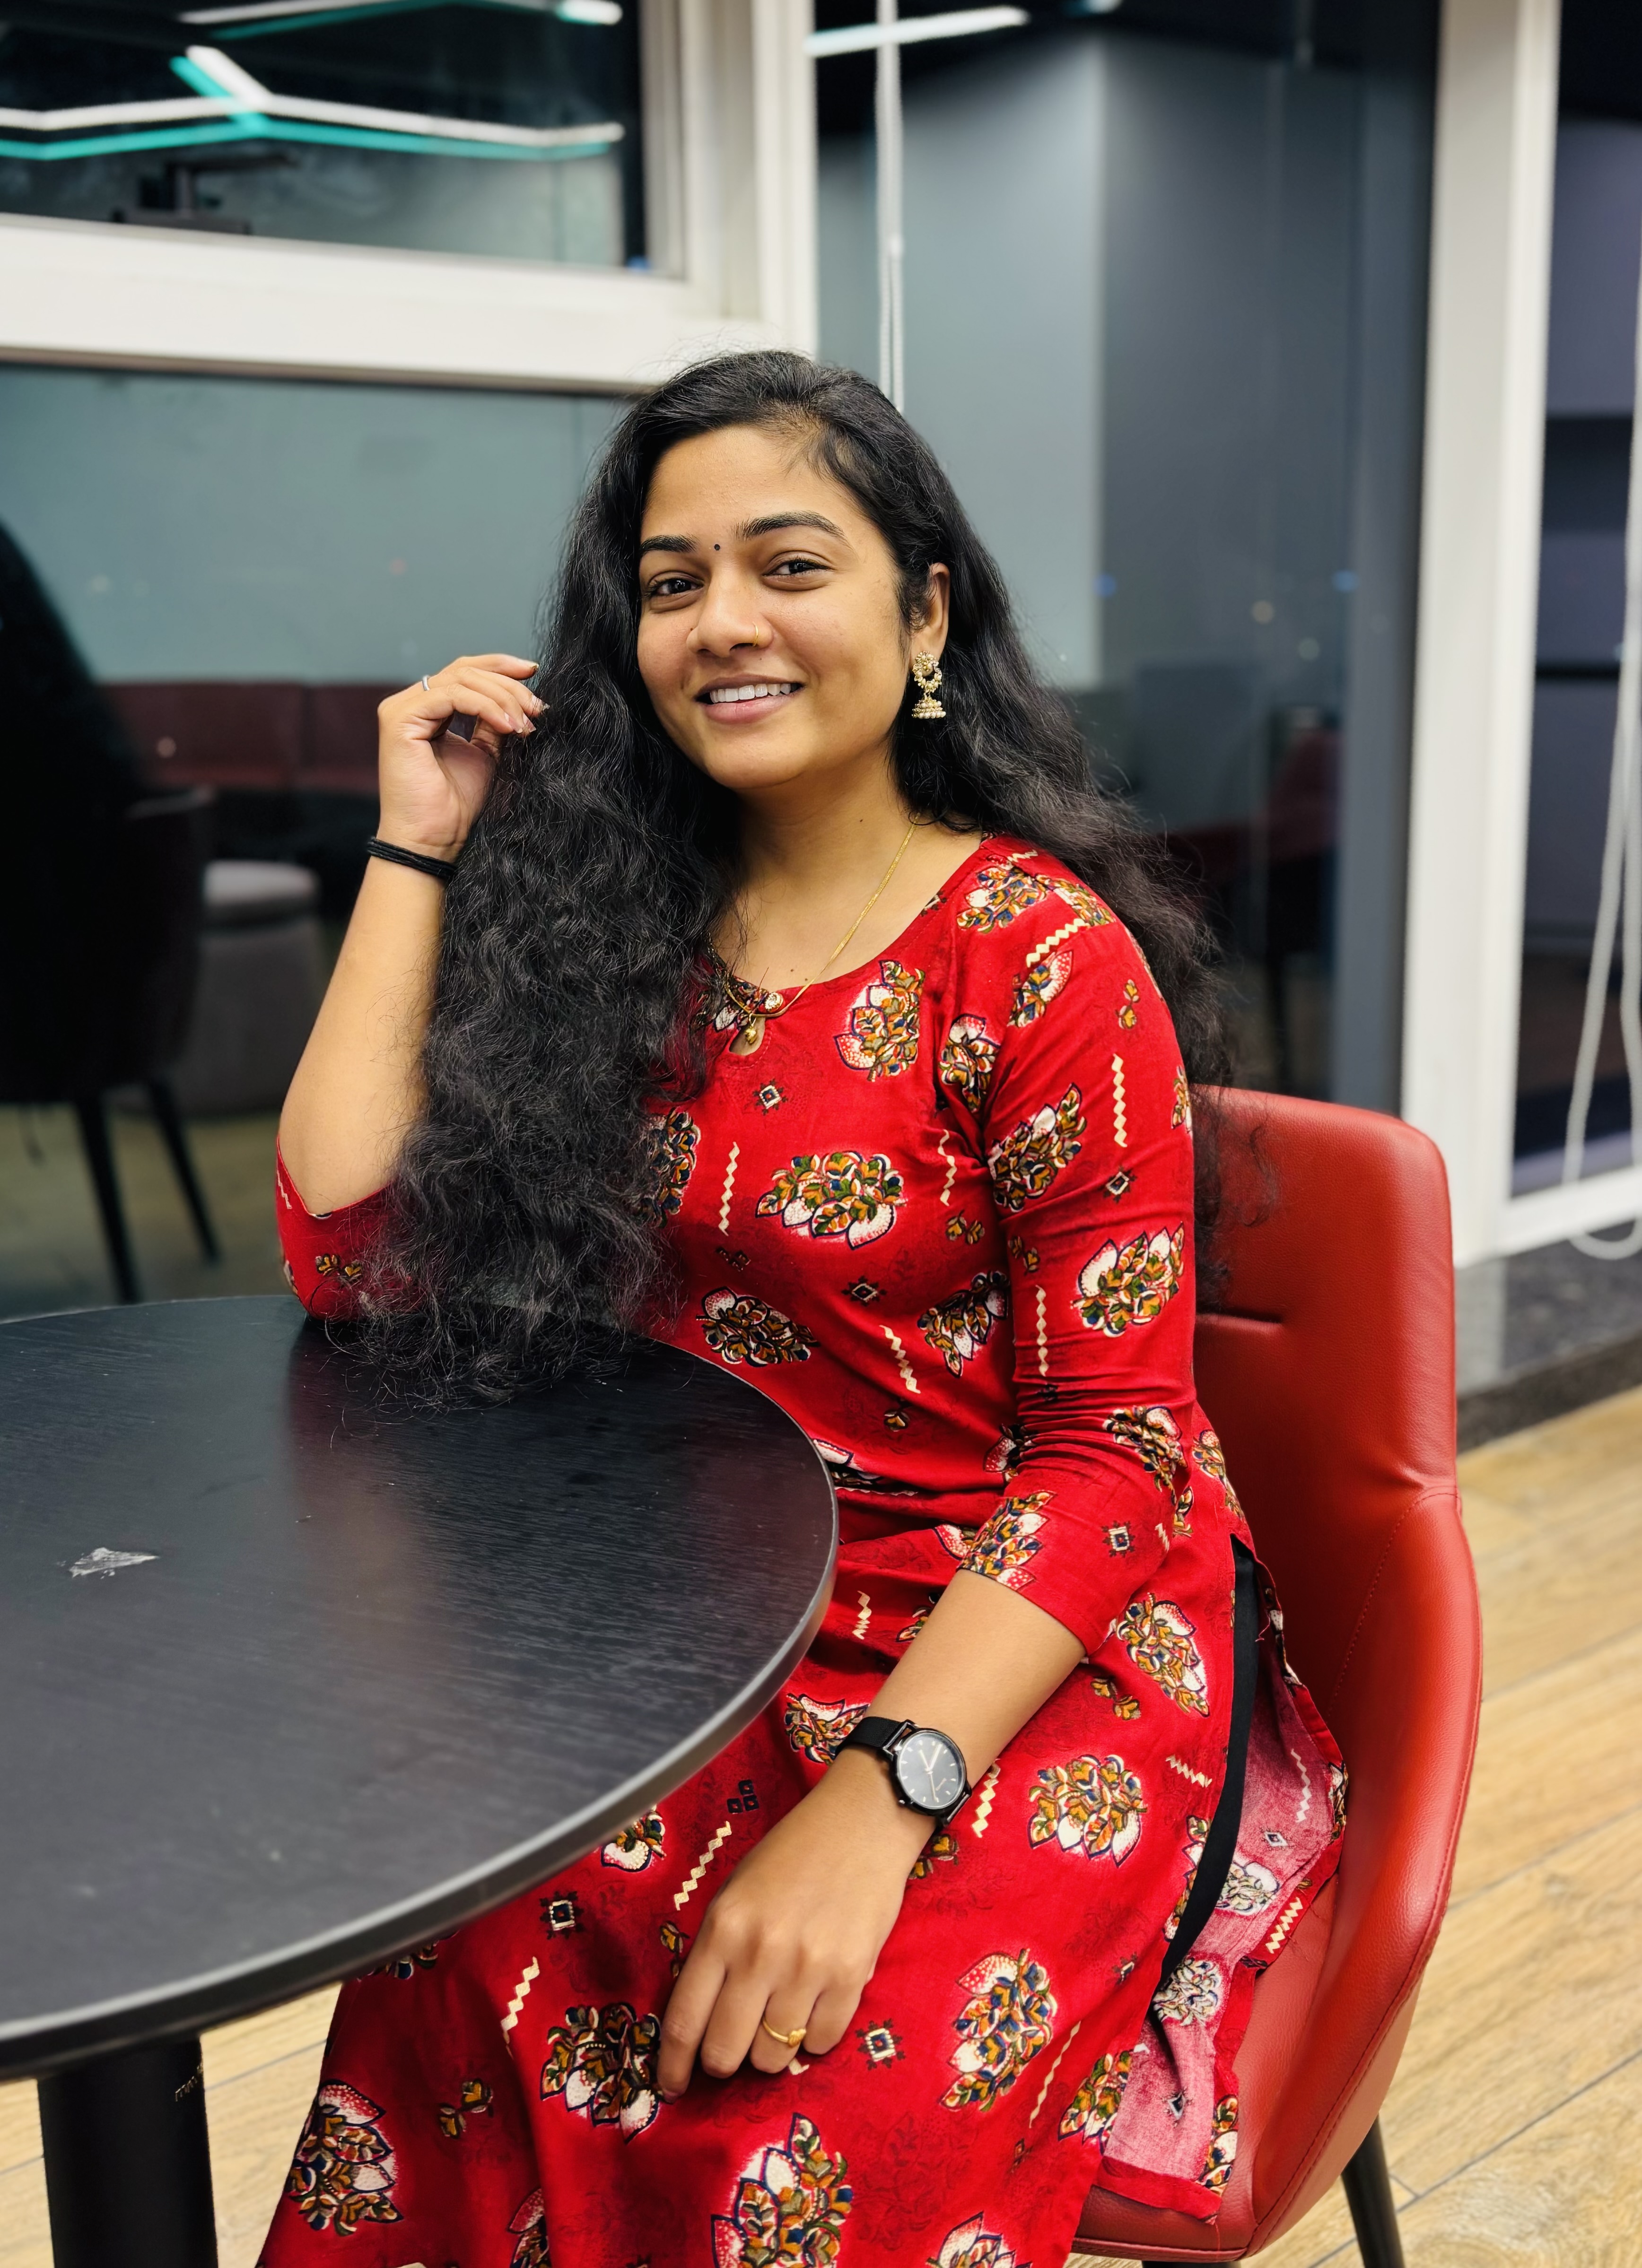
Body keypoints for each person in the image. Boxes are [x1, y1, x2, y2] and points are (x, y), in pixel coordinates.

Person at [262, 352, 1342, 2268]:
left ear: (923, 615)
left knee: (782, 2155)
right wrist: (421, 842)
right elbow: (350, 1254)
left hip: (1019, 1637)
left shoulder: (1038, 960)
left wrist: (883, 1800)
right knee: (456, 1975)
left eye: (788, 565)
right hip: (703, 1621)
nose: (724, 624)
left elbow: (1119, 1452)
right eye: (672, 583)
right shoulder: (608, 942)